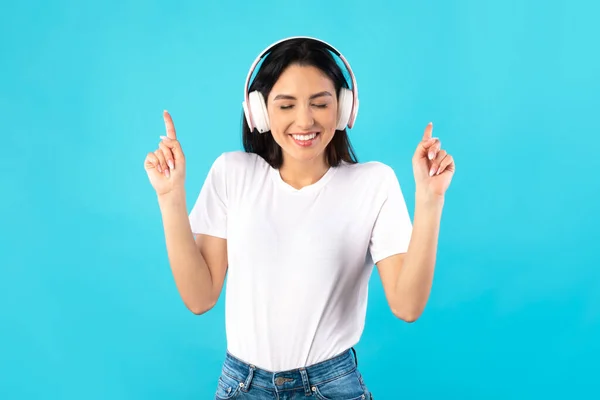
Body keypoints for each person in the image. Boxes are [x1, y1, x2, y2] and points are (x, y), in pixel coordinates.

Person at [144, 36, 455, 400]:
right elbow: (199, 297)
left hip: (331, 387)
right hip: (242, 387)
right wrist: (169, 197)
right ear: (259, 112)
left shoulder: (374, 183)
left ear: (343, 108)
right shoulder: (232, 173)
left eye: (320, 104)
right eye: (286, 105)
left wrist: (430, 199)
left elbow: (407, 305)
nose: (304, 120)